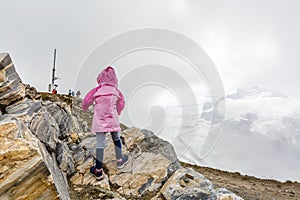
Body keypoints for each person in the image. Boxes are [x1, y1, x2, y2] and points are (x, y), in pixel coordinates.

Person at [82, 66, 127, 180]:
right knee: (116, 138)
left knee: (100, 144)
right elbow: (121, 104)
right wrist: (118, 112)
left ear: (101, 78)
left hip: (100, 120)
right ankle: (120, 160)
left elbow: (87, 100)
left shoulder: (97, 90)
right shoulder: (116, 91)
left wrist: (85, 108)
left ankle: (98, 170)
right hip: (112, 118)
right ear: (114, 79)